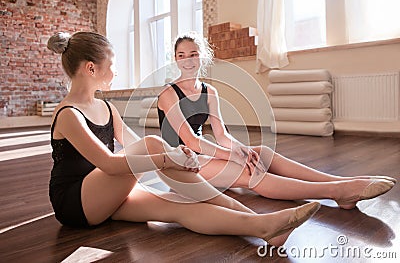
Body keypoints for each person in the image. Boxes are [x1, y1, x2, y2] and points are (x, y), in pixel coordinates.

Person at [46, 31, 322, 247]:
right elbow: (109, 164)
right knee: (155, 144)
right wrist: (169, 158)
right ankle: (258, 219)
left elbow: (131, 147)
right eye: (112, 66)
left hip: (104, 195)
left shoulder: (106, 108)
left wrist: (176, 159)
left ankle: (263, 227)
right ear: (91, 69)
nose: (115, 72)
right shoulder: (69, 114)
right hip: (76, 203)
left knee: (180, 206)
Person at [157, 31, 396, 210]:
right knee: (252, 173)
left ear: (203, 57)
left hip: (201, 155)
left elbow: (221, 135)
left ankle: (343, 180)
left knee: (259, 153)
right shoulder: (168, 94)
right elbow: (190, 140)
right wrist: (230, 155)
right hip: (177, 163)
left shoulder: (210, 92)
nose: (187, 60)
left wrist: (241, 150)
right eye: (181, 55)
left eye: (193, 54)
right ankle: (337, 192)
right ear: (175, 60)